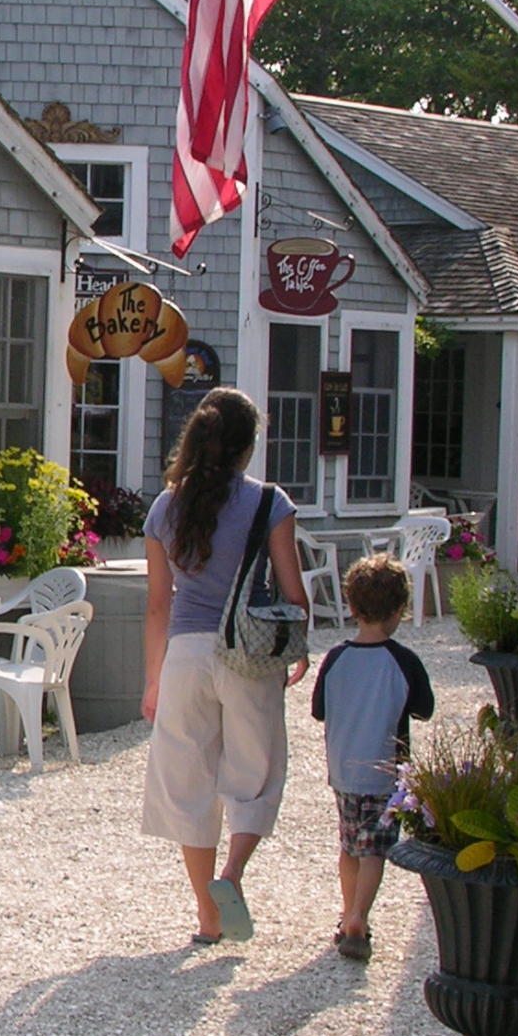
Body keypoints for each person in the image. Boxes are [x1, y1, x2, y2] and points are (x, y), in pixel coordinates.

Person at [140, 388, 311, 944]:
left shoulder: (167, 506)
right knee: (255, 775)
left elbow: (159, 604)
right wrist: (299, 645)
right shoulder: (270, 503)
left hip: (185, 656)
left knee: (189, 785)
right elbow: (293, 594)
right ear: (247, 446)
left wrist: (152, 681)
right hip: (248, 652)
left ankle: (206, 917)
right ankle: (231, 877)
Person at [310, 553, 434, 963]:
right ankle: (360, 917)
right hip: (385, 771)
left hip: (343, 767)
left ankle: (348, 913)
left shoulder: (336, 659)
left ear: (351, 605)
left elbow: (319, 710)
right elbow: (423, 708)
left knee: (349, 845)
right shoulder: (403, 661)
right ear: (399, 610)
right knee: (374, 849)